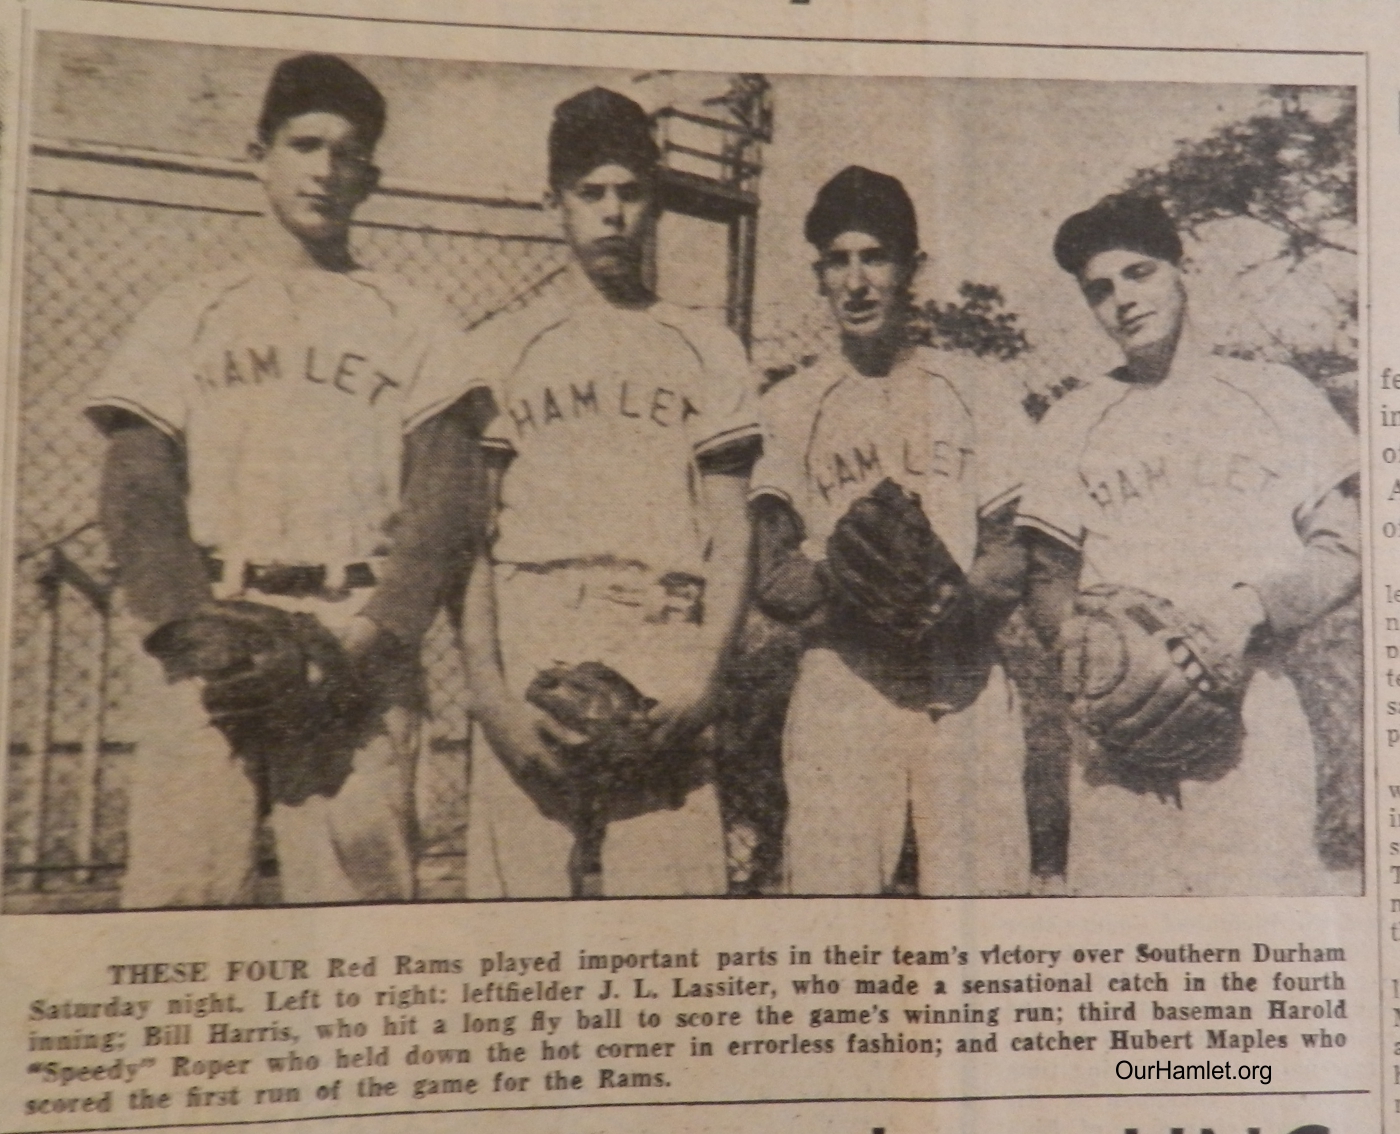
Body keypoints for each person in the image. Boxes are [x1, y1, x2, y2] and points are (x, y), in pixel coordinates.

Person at [87, 54, 479, 907]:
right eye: (305, 145)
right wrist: (195, 632)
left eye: (349, 153)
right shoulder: (189, 308)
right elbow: (136, 486)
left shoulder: (411, 316)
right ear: (257, 151)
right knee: (180, 910)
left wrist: (372, 639)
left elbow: (446, 494)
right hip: (213, 640)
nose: (326, 170)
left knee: (359, 930)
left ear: (370, 176)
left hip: (356, 643)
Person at [411, 86, 757, 897]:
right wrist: (491, 698)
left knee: (672, 913)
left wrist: (704, 680)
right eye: (590, 194)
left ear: (657, 204)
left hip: (661, 632)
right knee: (518, 917)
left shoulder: (705, 346)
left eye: (631, 193)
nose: (612, 214)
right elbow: (475, 541)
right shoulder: (500, 348)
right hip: (539, 629)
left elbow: (732, 531)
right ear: (553, 203)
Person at [1017, 193, 1362, 895]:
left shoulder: (1277, 393)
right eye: (1100, 290)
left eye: (1139, 273)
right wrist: (1085, 652)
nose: (1122, 301)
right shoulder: (1074, 417)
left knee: (1258, 933)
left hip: (1249, 709)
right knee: (1126, 944)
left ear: (1184, 266)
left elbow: (1347, 547)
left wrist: (1250, 609)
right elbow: (1046, 575)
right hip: (1120, 730)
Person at [748, 166, 1033, 895]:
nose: (857, 281)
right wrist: (849, 586)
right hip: (847, 683)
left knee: (987, 915)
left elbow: (1013, 547)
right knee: (832, 914)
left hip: (962, 676)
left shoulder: (978, 391)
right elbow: (773, 578)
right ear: (819, 275)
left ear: (912, 268)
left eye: (875, 256)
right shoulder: (790, 403)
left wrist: (958, 603)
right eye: (837, 261)